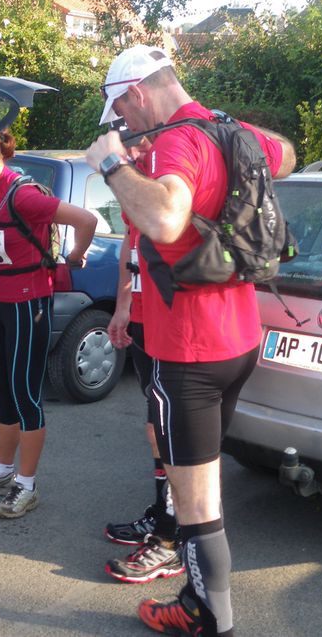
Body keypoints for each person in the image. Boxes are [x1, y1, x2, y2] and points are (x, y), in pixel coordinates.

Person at [85, 45, 295, 636]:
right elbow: (289, 154)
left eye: (122, 114)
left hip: (190, 351)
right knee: (205, 484)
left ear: (137, 93)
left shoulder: (179, 140)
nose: (122, 127)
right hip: (239, 340)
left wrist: (111, 164)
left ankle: (208, 617)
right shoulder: (225, 130)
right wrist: (223, 134)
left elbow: (167, 220)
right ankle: (201, 600)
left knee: (197, 501)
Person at [0, 121, 97, 519]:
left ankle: (26, 486)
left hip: (29, 304)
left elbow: (86, 219)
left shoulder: (24, 195)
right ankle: (1, 471)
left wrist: (75, 255)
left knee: (26, 395)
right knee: (0, 389)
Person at [102, 205, 183, 584]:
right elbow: (129, 244)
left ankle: (174, 533)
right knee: (155, 426)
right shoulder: (137, 174)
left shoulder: (175, 170)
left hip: (175, 323)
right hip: (142, 317)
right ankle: (163, 511)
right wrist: (123, 306)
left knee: (173, 432)